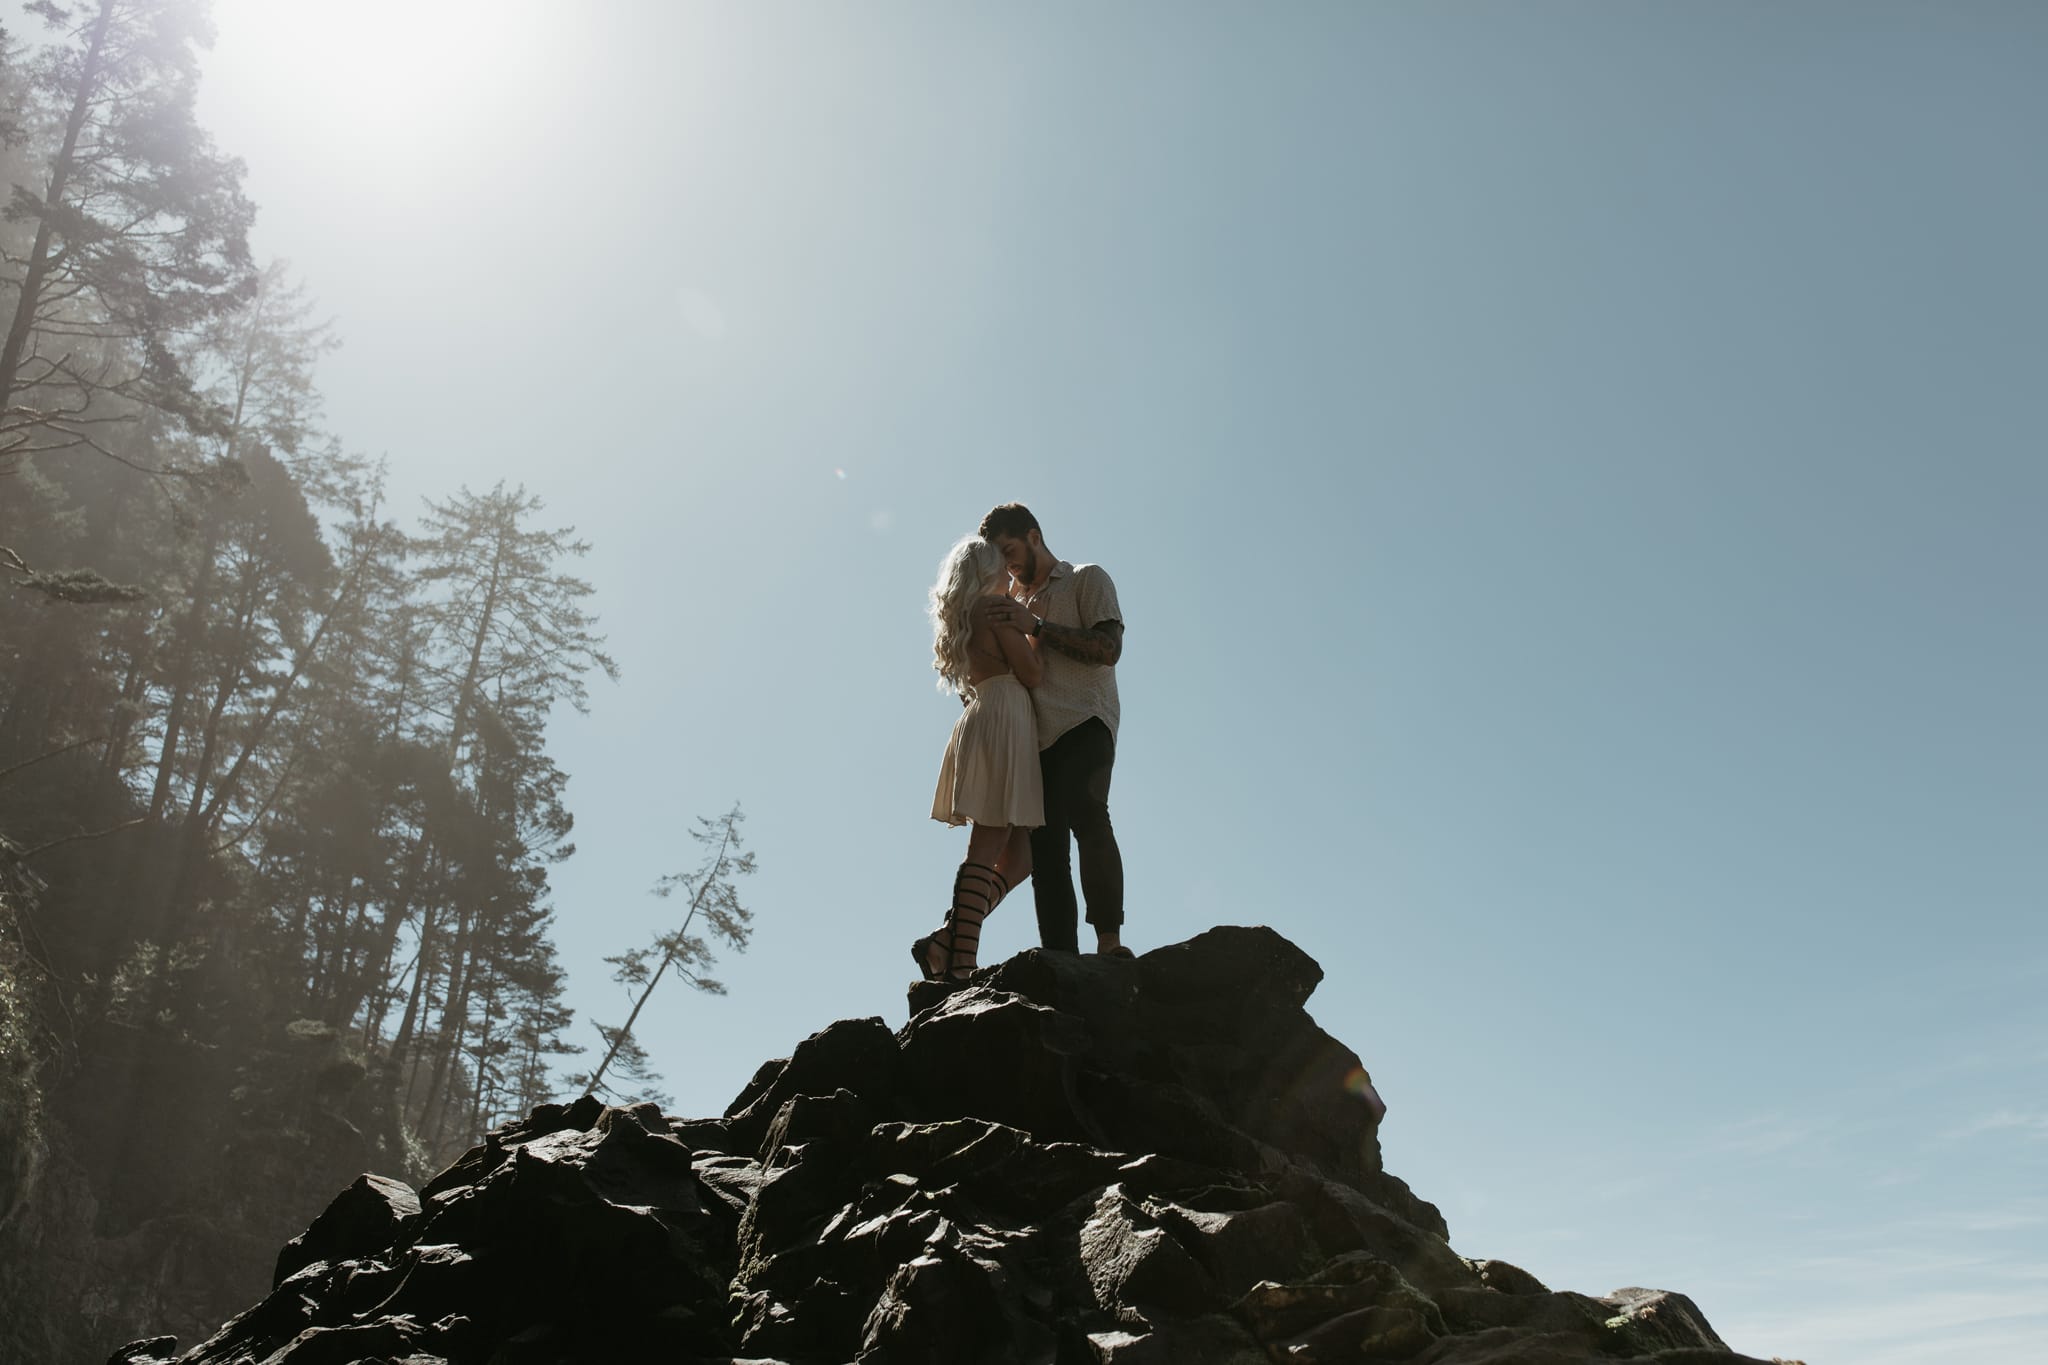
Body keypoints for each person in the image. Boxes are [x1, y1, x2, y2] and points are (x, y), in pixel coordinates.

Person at [976, 503, 1128, 957]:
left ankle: (1109, 942)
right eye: (997, 558)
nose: (1007, 564)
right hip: (1033, 742)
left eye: (1010, 550)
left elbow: (1108, 648)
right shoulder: (1009, 603)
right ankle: (1062, 961)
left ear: (1033, 536)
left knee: (1089, 814)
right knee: (1046, 857)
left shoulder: (1087, 578)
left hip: (1086, 719)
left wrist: (1037, 626)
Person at [914, 535, 1045, 981]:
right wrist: (1032, 628)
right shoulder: (993, 610)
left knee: (1022, 854)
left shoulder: (962, 617)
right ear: (987, 572)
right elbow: (1031, 672)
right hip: (1005, 712)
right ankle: (961, 965)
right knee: (986, 847)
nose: (1009, 576)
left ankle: (948, 939)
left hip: (984, 712)